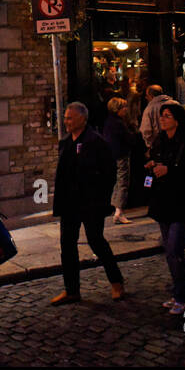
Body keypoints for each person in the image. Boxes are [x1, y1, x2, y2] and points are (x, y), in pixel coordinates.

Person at [50, 102, 125, 305]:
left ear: (82, 119)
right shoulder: (65, 142)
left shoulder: (96, 142)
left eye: (70, 118)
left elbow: (109, 173)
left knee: (96, 241)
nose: (66, 121)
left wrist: (100, 198)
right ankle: (72, 289)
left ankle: (116, 281)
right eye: (65, 117)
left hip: (90, 202)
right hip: (70, 203)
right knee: (67, 245)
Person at [147, 103, 185, 314]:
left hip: (181, 202)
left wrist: (169, 169)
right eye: (162, 116)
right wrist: (152, 165)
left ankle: (182, 296)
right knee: (170, 251)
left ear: (177, 119)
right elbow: (155, 157)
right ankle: (177, 293)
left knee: (174, 249)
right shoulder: (160, 140)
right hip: (163, 201)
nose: (163, 120)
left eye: (167, 116)